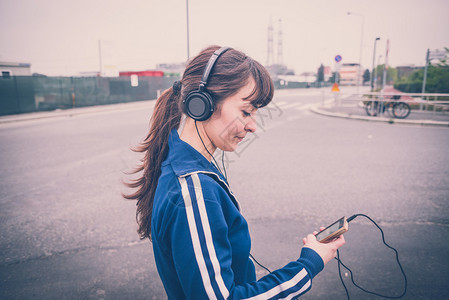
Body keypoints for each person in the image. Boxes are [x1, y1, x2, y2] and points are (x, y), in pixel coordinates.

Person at [124, 45, 345, 299]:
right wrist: (308, 265)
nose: (252, 126)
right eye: (246, 111)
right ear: (202, 103)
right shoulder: (194, 190)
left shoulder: (184, 166)